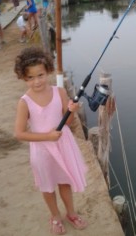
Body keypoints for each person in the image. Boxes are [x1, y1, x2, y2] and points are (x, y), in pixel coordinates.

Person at [14, 47, 87, 234]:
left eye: (40, 75)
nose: (37, 81)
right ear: (23, 77)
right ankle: (55, 216)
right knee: (47, 186)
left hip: (62, 146)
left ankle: (70, 213)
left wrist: (72, 110)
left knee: (64, 182)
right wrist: (47, 136)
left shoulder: (59, 92)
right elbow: (20, 133)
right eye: (30, 77)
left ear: (48, 71)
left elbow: (67, 122)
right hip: (42, 151)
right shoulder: (25, 102)